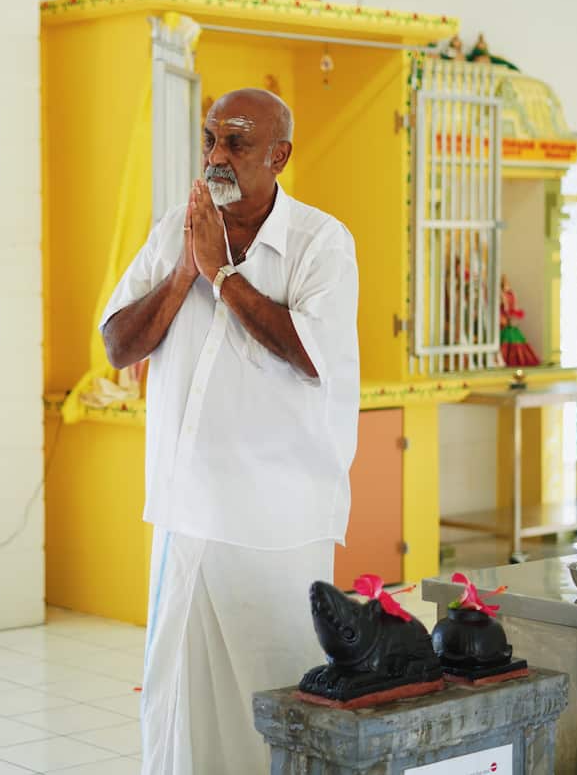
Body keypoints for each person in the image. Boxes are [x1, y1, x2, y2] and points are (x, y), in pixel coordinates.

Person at [100, 88, 360, 773]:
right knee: (177, 705)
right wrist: (185, 271)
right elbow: (119, 345)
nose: (216, 155)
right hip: (186, 515)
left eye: (236, 142)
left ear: (280, 156)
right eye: (210, 139)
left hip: (276, 524)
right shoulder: (176, 230)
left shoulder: (321, 243)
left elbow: (311, 352)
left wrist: (223, 274)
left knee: (276, 700)